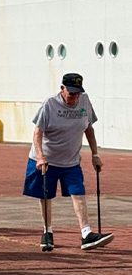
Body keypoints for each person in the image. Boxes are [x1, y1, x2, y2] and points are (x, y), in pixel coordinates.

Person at [24, 73, 113, 251]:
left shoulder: (84, 101)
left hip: (71, 161)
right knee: (45, 195)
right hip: (47, 159)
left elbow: (89, 129)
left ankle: (86, 233)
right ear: (62, 89)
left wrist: (95, 154)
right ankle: (47, 231)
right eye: (71, 93)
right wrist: (40, 156)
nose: (75, 97)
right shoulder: (50, 104)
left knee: (78, 192)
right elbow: (38, 133)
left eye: (78, 93)